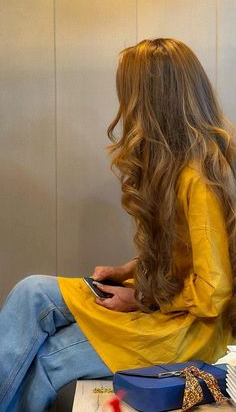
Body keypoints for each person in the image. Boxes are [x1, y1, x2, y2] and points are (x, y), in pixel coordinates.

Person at [0, 38, 236, 412]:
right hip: (163, 303)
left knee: (48, 361)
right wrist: (126, 271)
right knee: (33, 292)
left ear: (153, 100)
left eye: (128, 92)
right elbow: (183, 256)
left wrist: (142, 297)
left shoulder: (199, 178)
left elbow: (213, 294)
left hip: (186, 330)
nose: (124, 105)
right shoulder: (175, 166)